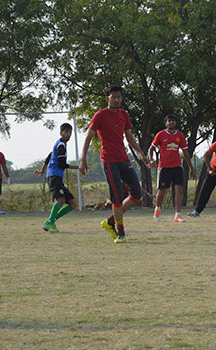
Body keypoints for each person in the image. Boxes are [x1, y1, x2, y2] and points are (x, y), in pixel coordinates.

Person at [79, 85, 152, 243]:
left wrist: (141, 154)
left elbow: (130, 138)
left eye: (119, 97)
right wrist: (83, 159)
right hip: (109, 160)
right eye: (114, 97)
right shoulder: (100, 115)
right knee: (117, 197)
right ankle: (120, 233)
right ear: (107, 98)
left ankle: (110, 222)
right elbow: (88, 137)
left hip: (124, 159)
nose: (117, 100)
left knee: (136, 194)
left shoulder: (124, 115)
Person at [147, 115, 196, 223]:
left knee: (179, 190)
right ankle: (158, 208)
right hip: (164, 166)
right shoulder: (160, 134)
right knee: (162, 190)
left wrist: (191, 167)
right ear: (166, 123)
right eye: (169, 121)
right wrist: (151, 159)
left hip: (177, 166)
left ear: (176, 123)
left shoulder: (180, 136)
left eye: (173, 121)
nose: (171, 123)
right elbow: (151, 148)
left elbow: (185, 152)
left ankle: (177, 215)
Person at [36, 123, 80, 233]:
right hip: (54, 177)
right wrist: (78, 167)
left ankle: (51, 221)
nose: (68, 134)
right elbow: (61, 164)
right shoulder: (61, 145)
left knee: (73, 204)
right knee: (61, 200)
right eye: (66, 132)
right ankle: (50, 222)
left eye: (70, 132)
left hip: (57, 177)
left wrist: (42, 171)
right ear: (61, 133)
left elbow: (49, 157)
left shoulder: (60, 144)